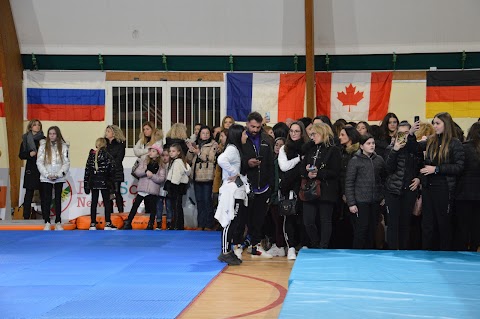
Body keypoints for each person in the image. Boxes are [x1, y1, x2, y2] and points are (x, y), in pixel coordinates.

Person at [417, 112, 464, 251]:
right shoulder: (431, 140)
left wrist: (436, 169)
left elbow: (459, 167)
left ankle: (444, 253)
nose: (434, 126)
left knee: (443, 224)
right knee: (427, 224)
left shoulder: (455, 143)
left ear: (446, 124)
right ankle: (426, 253)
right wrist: (412, 134)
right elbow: (414, 147)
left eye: (437, 123)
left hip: (444, 187)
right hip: (428, 187)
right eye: (433, 123)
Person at [300, 123, 341, 248]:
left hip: (326, 190)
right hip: (310, 189)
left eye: (314, 134)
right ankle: (315, 243)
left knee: (325, 221)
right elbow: (301, 169)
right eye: (311, 134)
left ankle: (323, 246)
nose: (312, 137)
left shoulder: (334, 150)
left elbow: (336, 171)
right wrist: (307, 172)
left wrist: (318, 173)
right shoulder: (310, 149)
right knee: (308, 221)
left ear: (323, 133)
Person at [384, 121, 423, 250]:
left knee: (406, 224)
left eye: (407, 133)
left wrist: (419, 178)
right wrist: (395, 150)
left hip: (409, 190)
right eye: (401, 133)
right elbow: (388, 169)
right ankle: (392, 251)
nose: (404, 136)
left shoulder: (414, 148)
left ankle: (404, 252)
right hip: (393, 190)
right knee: (393, 224)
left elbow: (421, 165)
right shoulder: (390, 149)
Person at [242, 111, 274, 258]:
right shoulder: (241, 139)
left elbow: (271, 164)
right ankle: (240, 244)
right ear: (247, 124)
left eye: (258, 127)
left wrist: (271, 185)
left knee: (259, 219)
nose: (255, 130)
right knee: (246, 218)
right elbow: (235, 161)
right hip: (246, 186)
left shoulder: (267, 140)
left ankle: (255, 245)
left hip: (264, 186)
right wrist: (247, 163)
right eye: (252, 126)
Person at [345, 134, 386, 249]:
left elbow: (384, 178)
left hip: (375, 201)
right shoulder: (355, 161)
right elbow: (349, 182)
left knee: (372, 229)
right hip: (360, 201)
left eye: (373, 143)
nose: (372, 145)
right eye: (368, 143)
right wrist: (351, 203)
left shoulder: (379, 160)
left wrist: (382, 195)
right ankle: (357, 254)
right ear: (362, 146)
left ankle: (368, 255)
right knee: (361, 230)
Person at [216, 124, 249, 265]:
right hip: (231, 191)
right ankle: (225, 251)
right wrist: (234, 173)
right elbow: (221, 160)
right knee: (229, 221)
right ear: (237, 135)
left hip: (237, 190)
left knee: (235, 221)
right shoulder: (232, 149)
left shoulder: (236, 149)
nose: (246, 136)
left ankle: (228, 250)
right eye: (244, 134)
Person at [278, 121, 310, 258]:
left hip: (304, 188)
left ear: (302, 132)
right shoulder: (284, 148)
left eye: (297, 131)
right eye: (291, 131)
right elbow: (284, 167)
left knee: (304, 219)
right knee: (289, 217)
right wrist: (298, 159)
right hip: (289, 187)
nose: (294, 133)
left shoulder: (308, 147)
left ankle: (304, 245)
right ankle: (290, 247)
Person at [123, 143, 166, 230]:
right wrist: (145, 171)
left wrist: (152, 176)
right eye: (150, 151)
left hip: (152, 189)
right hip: (142, 188)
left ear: (157, 154)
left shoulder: (161, 166)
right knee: (135, 205)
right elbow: (137, 172)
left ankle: (151, 223)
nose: (150, 153)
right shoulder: (144, 162)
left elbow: (161, 179)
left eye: (153, 151)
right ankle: (128, 221)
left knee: (153, 208)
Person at [36, 126, 70, 231]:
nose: (52, 136)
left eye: (54, 134)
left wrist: (59, 174)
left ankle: (58, 221)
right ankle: (47, 221)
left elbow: (66, 163)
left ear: (57, 134)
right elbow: (39, 162)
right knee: (47, 199)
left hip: (59, 178)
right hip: (46, 178)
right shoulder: (42, 147)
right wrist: (47, 174)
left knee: (58, 200)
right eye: (50, 134)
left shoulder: (64, 147)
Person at [332, 125, 360, 248]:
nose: (339, 137)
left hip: (354, 194)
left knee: (354, 224)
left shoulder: (357, 154)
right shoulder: (341, 151)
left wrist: (347, 193)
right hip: (341, 192)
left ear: (350, 136)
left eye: (343, 135)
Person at [454, 122, 480, 251]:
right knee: (476, 225)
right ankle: (474, 249)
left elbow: (458, 169)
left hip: (464, 192)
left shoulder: (464, 148)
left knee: (463, 225)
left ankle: (462, 250)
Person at [187, 126, 218, 230]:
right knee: (199, 201)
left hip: (207, 176)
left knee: (207, 201)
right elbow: (189, 159)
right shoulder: (196, 144)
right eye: (203, 133)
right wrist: (191, 151)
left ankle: (209, 224)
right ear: (199, 134)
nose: (205, 135)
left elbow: (211, 158)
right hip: (196, 176)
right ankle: (201, 224)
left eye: (207, 133)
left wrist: (199, 153)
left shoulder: (213, 144)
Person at [83, 138, 117, 230]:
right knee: (107, 203)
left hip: (93, 182)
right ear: (105, 145)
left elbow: (87, 171)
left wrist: (86, 184)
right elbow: (112, 169)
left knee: (94, 202)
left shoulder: (91, 156)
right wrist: (111, 182)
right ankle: (108, 223)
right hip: (105, 182)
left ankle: (93, 223)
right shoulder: (108, 156)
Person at [19, 119, 45, 219]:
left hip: (42, 168)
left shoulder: (44, 139)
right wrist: (29, 154)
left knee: (43, 193)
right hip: (31, 168)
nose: (37, 127)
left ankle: (45, 216)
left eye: (39, 125)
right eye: (35, 125)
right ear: (30, 127)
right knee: (29, 193)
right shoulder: (25, 139)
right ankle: (26, 216)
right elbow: (21, 155)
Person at [266, 137, 286, 258]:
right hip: (272, 195)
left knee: (279, 223)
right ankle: (277, 244)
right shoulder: (272, 159)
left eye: (281, 145)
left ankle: (280, 246)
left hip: (279, 196)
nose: (278, 147)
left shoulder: (282, 161)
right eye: (276, 144)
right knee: (273, 222)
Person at [165, 143, 191, 230]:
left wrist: (172, 186)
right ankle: (178, 224)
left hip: (176, 186)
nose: (171, 153)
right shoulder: (180, 162)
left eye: (173, 151)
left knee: (176, 206)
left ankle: (177, 225)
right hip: (179, 186)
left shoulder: (177, 162)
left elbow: (176, 175)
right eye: (170, 151)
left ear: (179, 152)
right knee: (177, 206)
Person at [105, 125, 126, 213]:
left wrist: (110, 165)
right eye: (106, 131)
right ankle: (110, 214)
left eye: (108, 131)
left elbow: (119, 159)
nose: (106, 133)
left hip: (116, 171)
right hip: (106, 172)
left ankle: (121, 212)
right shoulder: (104, 144)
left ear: (114, 133)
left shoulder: (120, 145)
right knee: (108, 194)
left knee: (117, 192)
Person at [156, 146, 173, 230]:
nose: (165, 157)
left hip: (168, 189)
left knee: (169, 206)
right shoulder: (158, 165)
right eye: (163, 155)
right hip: (159, 189)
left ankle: (169, 223)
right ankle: (158, 223)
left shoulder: (172, 165)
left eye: (167, 155)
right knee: (159, 206)